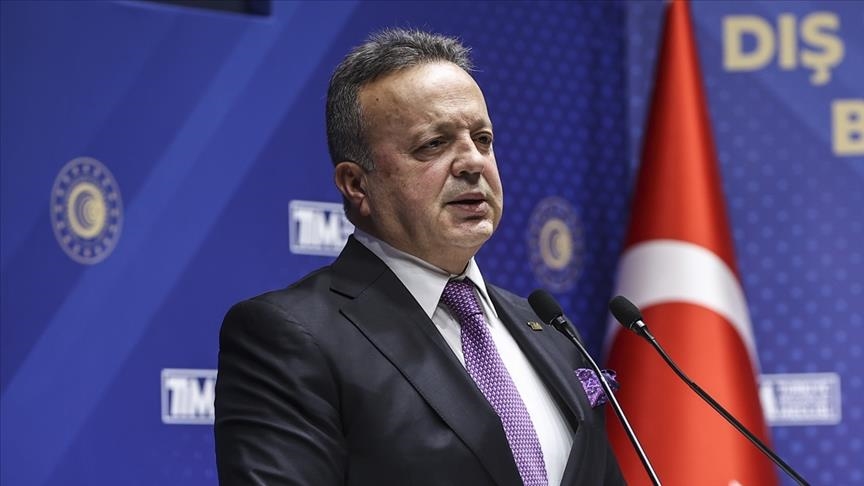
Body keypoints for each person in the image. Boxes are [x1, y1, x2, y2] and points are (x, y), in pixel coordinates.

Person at [214, 28, 624, 486]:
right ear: (356, 184)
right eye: (433, 144)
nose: (473, 162)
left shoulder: (548, 330)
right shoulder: (291, 336)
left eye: (482, 139)